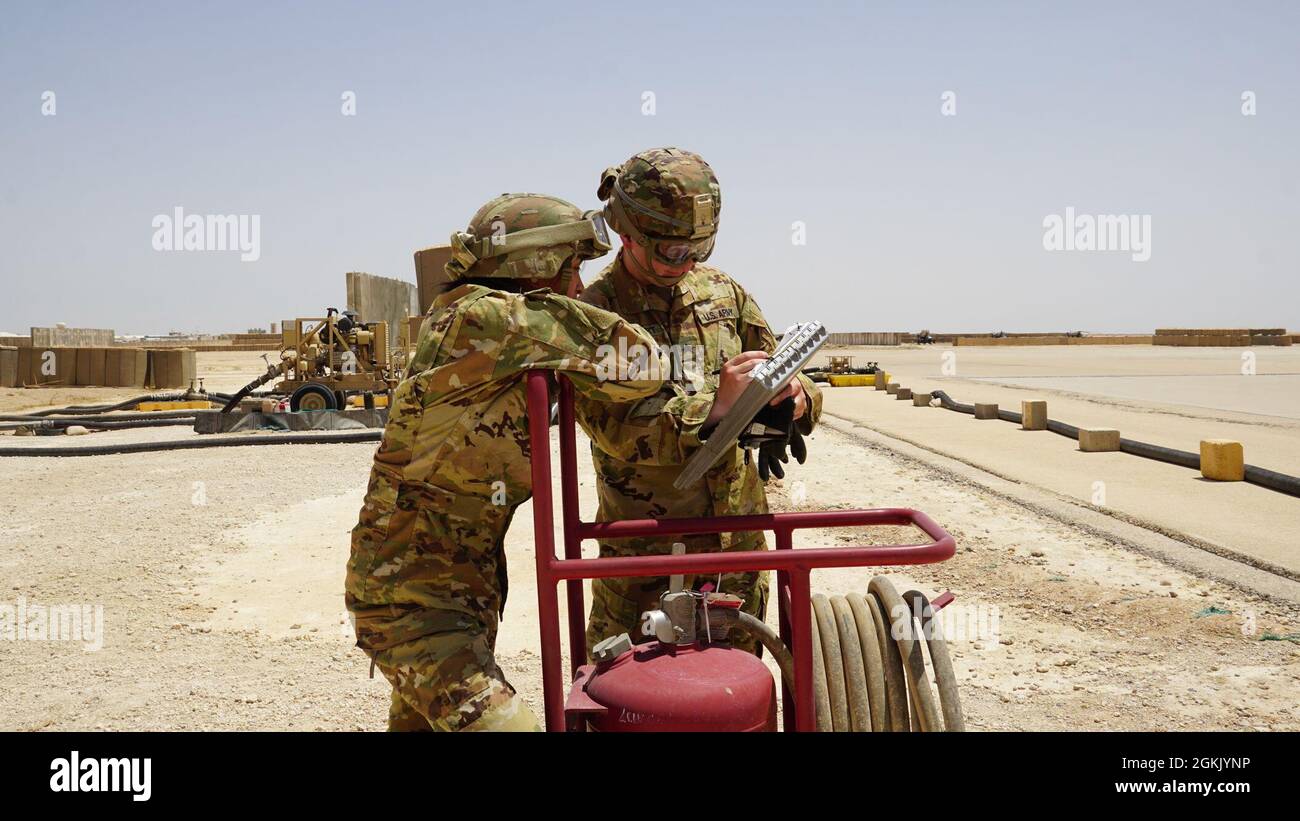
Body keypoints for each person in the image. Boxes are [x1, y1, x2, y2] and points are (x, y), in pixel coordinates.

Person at [345, 193, 667, 731]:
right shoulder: (491, 320)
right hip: (417, 608)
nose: (581, 286)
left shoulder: (480, 324)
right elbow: (642, 363)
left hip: (444, 597)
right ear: (536, 266)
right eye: (572, 269)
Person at [576, 148, 823, 656]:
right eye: (670, 251)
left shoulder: (723, 294)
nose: (685, 263)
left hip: (737, 547)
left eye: (698, 248)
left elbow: (787, 367)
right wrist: (715, 408)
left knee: (739, 692)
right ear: (626, 232)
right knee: (635, 701)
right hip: (648, 558)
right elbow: (613, 428)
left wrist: (797, 399)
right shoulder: (596, 313)